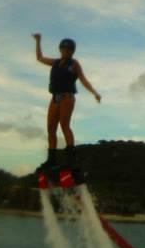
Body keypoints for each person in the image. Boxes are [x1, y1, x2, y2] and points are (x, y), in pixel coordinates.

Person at [33, 33, 100, 168]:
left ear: (72, 51)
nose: (66, 51)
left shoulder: (74, 64)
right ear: (60, 49)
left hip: (67, 97)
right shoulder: (55, 63)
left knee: (64, 125)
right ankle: (52, 160)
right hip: (55, 97)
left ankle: (70, 160)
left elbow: (83, 79)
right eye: (64, 48)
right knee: (51, 128)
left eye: (69, 49)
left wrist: (94, 92)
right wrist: (38, 41)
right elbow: (39, 58)